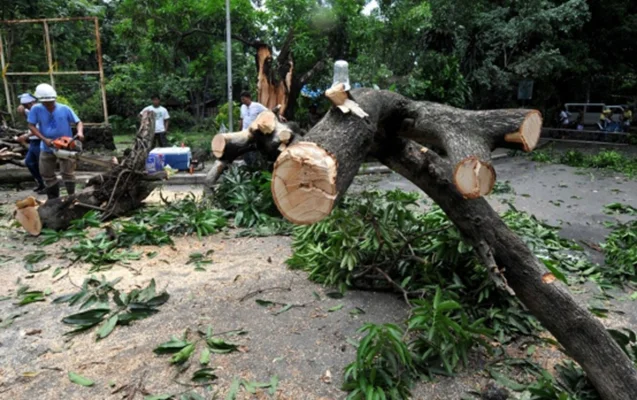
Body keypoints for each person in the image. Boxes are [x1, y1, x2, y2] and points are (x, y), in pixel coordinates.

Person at [27, 83, 84, 199]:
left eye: (51, 102)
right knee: (47, 174)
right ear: (41, 101)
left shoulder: (64, 109)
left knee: (68, 173)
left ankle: (72, 197)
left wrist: (80, 132)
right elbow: (31, 125)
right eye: (47, 103)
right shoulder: (36, 109)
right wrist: (44, 139)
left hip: (66, 146)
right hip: (47, 147)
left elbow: (78, 122)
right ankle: (53, 200)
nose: (49, 104)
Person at [14, 93, 45, 193]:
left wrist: (25, 136)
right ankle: (41, 183)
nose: (26, 107)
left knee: (42, 164)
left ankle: (47, 185)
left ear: (32, 102)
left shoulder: (38, 110)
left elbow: (38, 128)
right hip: (33, 141)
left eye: (26, 105)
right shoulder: (30, 110)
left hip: (40, 140)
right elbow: (31, 123)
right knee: (30, 162)